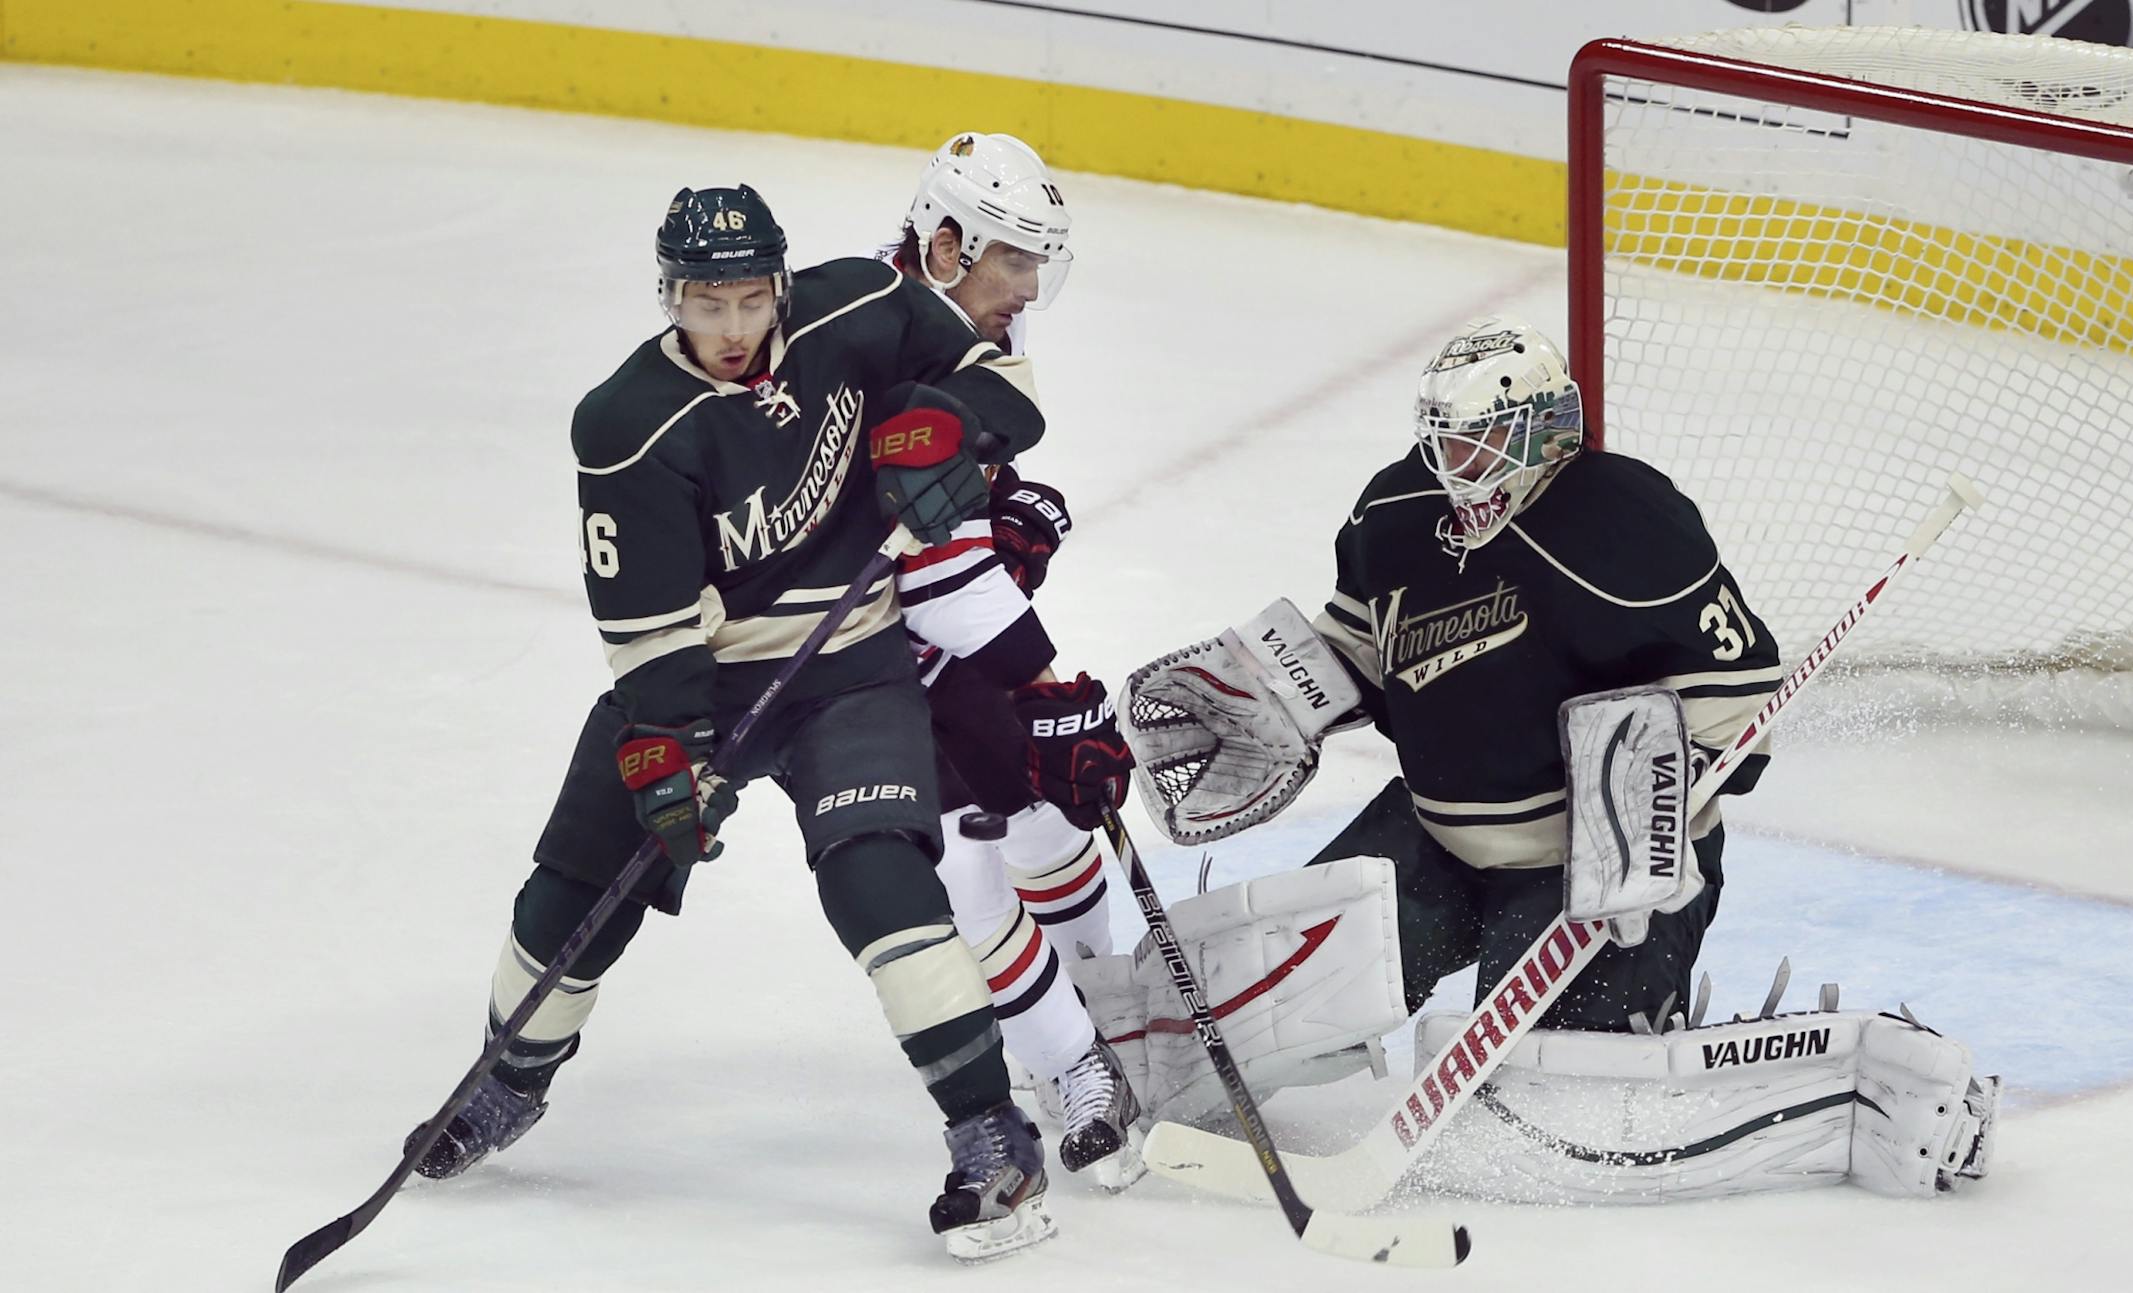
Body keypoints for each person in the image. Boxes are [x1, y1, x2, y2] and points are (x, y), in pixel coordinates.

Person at [1083, 316, 1998, 1202]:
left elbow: (1740, 710)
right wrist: (1273, 693)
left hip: (1599, 867)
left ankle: (1856, 1094)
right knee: (1261, 996)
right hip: (1438, 835)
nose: (1455, 468)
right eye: (1444, 441)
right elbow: (1362, 646)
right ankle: (1095, 1065)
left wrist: (1649, 810)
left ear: (1544, 432)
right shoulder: (1400, 507)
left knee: (1544, 1105)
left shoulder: (1627, 520)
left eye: (1479, 444)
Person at [401, 184, 1127, 1261]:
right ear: (670, 297)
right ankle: (509, 1082)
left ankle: (991, 1137)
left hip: (852, 670)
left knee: (878, 880)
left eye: (749, 301)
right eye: (707, 303)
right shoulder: (626, 426)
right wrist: (667, 756)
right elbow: (649, 633)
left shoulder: (856, 309)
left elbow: (1001, 384)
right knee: (577, 887)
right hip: (714, 678)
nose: (733, 329)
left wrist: (949, 433)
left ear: (780, 287)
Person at [867, 132, 1144, 1187]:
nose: (1027, 290)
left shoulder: (958, 317)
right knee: (972, 885)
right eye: (1013, 263)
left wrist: (1004, 513)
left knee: (1048, 804)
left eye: (1038, 265)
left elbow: (948, 523)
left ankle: (1106, 1010)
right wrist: (1044, 679)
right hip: (873, 668)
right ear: (946, 245)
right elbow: (932, 575)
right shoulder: (883, 349)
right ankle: (1073, 1067)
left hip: (943, 638)